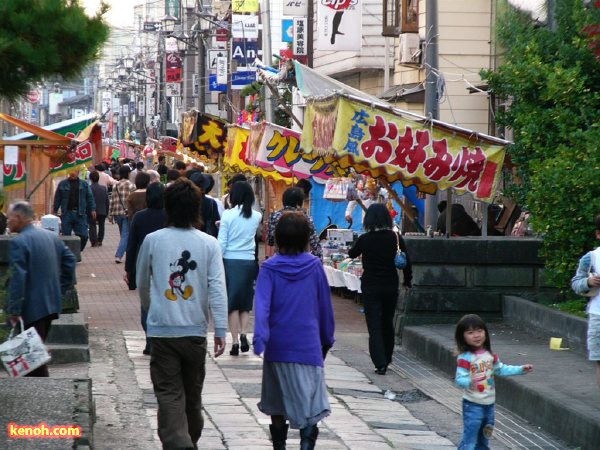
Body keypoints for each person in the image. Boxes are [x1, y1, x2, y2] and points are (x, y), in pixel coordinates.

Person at [136, 179, 228, 449]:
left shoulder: (153, 241)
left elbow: (142, 283)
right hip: (195, 332)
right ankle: (187, 440)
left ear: (168, 207)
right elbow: (217, 288)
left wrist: (151, 309)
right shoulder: (209, 243)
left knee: (169, 394)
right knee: (192, 396)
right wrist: (220, 329)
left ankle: (180, 442)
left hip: (162, 331)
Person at [254, 212, 335, 450]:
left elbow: (262, 307)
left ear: (277, 239)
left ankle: (279, 446)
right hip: (308, 346)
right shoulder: (315, 267)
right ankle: (306, 446)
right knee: (311, 406)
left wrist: (261, 338)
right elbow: (325, 307)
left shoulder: (269, 269)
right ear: (306, 239)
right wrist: (327, 338)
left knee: (276, 402)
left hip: (277, 347)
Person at [6, 201, 77, 377]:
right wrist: (60, 287)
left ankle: (43, 394)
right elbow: (70, 261)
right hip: (51, 303)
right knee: (33, 353)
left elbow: (18, 277)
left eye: (9, 218)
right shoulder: (51, 236)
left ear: (19, 218)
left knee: (32, 358)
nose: (7, 222)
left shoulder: (20, 242)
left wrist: (14, 308)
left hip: (31, 306)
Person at [348, 203, 412, 375]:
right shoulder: (395, 237)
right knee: (387, 323)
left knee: (374, 325)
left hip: (371, 286)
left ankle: (380, 362)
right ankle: (388, 357)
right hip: (390, 285)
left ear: (369, 219)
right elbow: (406, 262)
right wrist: (407, 281)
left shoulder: (365, 239)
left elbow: (351, 254)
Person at [454, 314, 533, 449]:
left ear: (486, 333)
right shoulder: (465, 358)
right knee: (470, 439)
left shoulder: (490, 356)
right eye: (470, 332)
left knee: (485, 437)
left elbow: (501, 369)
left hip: (489, 405)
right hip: (473, 405)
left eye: (479, 331)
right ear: (463, 337)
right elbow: (459, 378)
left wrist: (521, 369)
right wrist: (468, 382)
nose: (476, 335)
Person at [218, 181, 261, 356]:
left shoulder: (227, 215)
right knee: (245, 302)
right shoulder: (257, 216)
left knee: (232, 304)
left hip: (230, 261)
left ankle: (235, 341)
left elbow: (222, 243)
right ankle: (244, 333)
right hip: (249, 261)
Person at [125, 183, 167, 355]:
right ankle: (162, 337)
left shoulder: (139, 217)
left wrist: (129, 269)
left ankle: (150, 339)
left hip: (144, 263)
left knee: (145, 301)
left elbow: (132, 244)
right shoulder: (170, 216)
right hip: (166, 264)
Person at [571, 214, 600, 391]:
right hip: (598, 316)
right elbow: (576, 283)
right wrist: (588, 283)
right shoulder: (591, 258)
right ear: (598, 234)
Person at [267, 187, 322, 259]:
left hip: (280, 259)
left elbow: (270, 241)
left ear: (284, 200)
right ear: (299, 202)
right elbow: (314, 244)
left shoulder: (274, 216)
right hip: (301, 261)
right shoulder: (305, 218)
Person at [53, 168, 96, 251]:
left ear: (78, 172)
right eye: (71, 171)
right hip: (67, 213)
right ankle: (69, 255)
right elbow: (57, 198)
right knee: (66, 236)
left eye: (75, 171)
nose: (73, 173)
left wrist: (93, 209)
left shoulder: (84, 184)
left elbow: (90, 197)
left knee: (84, 235)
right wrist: (55, 210)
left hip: (80, 214)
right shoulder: (63, 184)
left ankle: (77, 251)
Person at [109, 165, 136, 264]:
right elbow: (133, 200)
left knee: (123, 235)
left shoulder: (115, 185)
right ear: (128, 173)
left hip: (117, 213)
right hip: (128, 213)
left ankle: (125, 253)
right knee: (125, 235)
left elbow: (112, 200)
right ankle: (119, 255)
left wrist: (110, 214)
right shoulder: (131, 185)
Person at [190, 172, 220, 238]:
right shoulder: (211, 203)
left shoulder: (184, 201)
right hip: (206, 238)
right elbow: (215, 224)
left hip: (187, 238)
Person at [89, 171, 109, 247]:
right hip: (102, 210)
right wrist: (106, 211)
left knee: (92, 225)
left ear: (90, 179)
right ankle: (100, 240)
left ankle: (93, 241)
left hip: (92, 211)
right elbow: (107, 201)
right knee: (101, 226)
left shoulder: (89, 188)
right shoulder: (103, 188)